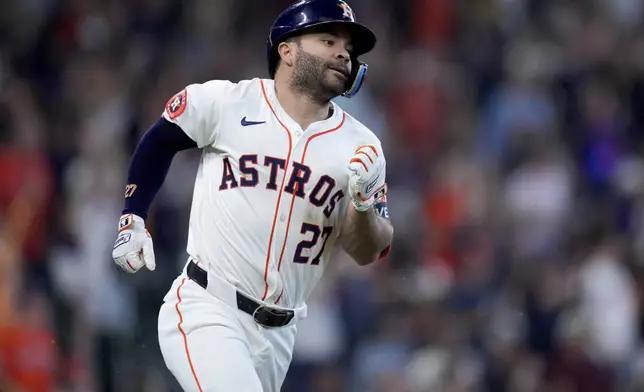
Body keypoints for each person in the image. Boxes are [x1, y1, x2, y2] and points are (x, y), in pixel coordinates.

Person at [111, 0, 393, 390]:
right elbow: (161, 139)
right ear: (287, 50)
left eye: (348, 47)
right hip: (209, 307)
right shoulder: (229, 102)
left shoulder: (363, 146)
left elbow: (369, 249)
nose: (343, 52)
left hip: (280, 335)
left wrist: (362, 204)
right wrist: (133, 215)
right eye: (329, 40)